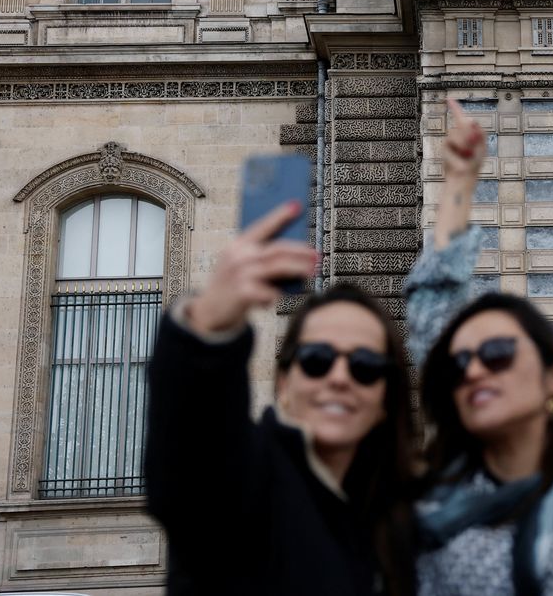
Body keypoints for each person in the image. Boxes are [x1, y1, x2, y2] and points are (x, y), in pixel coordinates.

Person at [404, 99, 553, 595]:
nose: (472, 371)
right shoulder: (447, 493)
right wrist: (458, 184)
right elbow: (432, 313)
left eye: (497, 355)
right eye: (461, 361)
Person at [144, 200, 417, 595]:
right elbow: (191, 458)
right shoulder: (241, 483)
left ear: (385, 399)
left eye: (365, 365)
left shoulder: (396, 524)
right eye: (317, 360)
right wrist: (207, 329)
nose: (340, 378)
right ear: (284, 384)